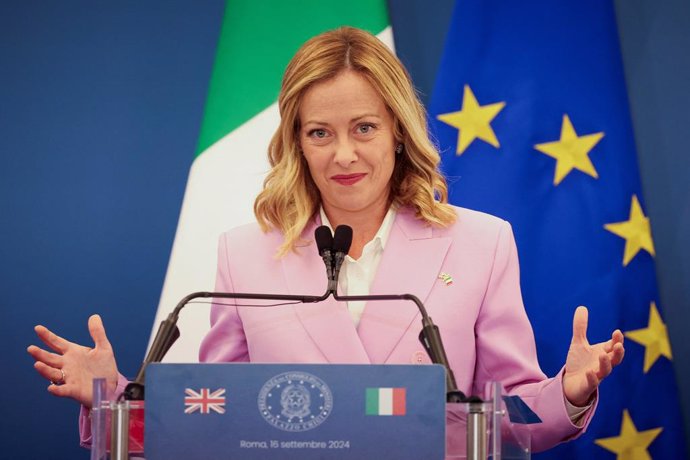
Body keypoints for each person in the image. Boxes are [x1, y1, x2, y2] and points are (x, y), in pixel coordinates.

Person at [28, 26, 625, 455]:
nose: (344, 154)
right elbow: (216, 420)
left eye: (364, 128)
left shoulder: (480, 243)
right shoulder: (247, 252)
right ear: (297, 142)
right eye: (320, 133)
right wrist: (111, 399)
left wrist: (566, 392)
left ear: (397, 131)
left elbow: (508, 419)